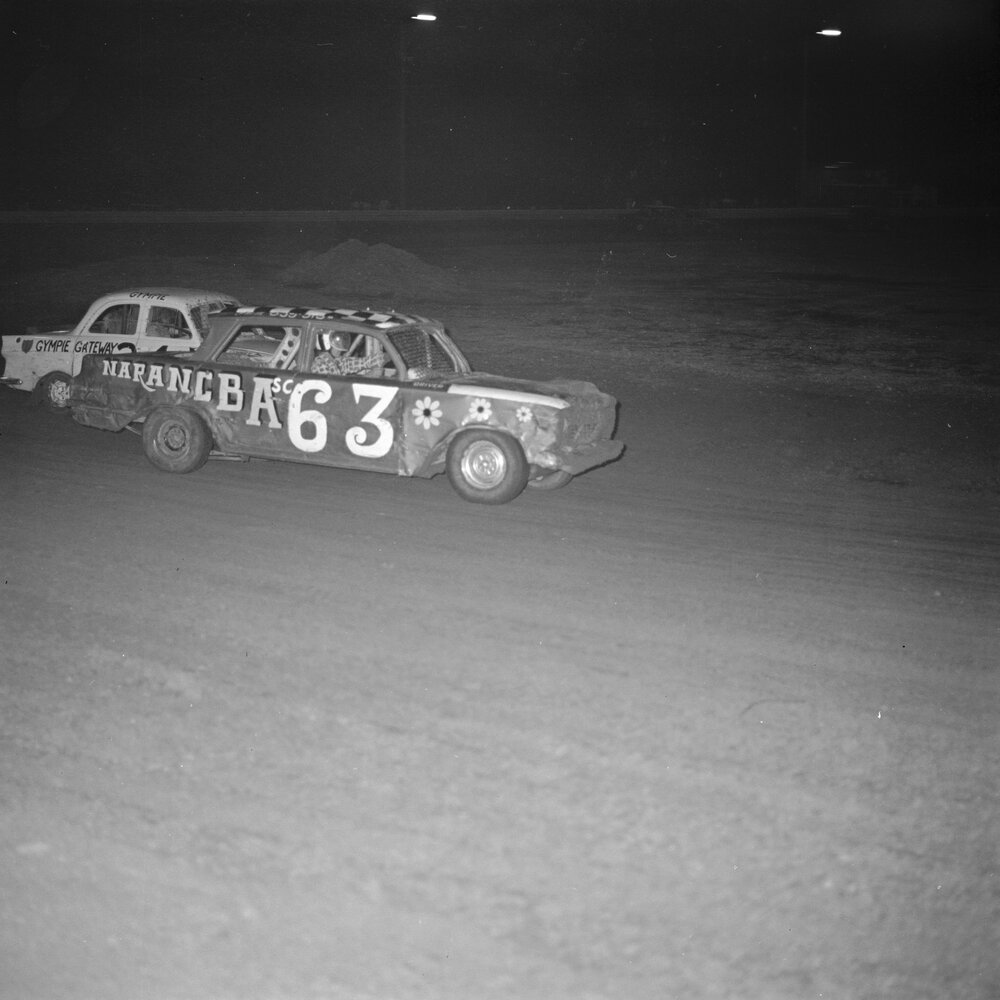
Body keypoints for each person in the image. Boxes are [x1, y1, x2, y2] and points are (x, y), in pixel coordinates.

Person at [312, 331, 383, 376]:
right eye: (337, 344)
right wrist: (369, 376)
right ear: (327, 343)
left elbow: (362, 362)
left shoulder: (338, 360)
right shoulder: (320, 364)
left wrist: (382, 358)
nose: (341, 349)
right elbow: (338, 389)